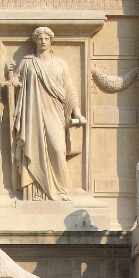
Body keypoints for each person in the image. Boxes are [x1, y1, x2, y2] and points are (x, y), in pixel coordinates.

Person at [7, 26, 86, 202]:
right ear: (35, 41)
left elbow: (69, 90)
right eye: (40, 38)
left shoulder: (60, 64)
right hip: (32, 113)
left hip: (55, 113)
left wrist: (77, 113)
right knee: (34, 149)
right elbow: (15, 84)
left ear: (51, 41)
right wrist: (10, 72)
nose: (43, 41)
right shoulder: (27, 62)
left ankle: (61, 191)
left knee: (58, 150)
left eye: (46, 38)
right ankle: (35, 192)